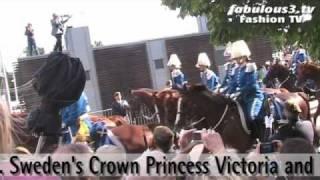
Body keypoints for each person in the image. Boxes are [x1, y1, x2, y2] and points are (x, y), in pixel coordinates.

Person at [227, 40, 264, 138]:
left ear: (244, 57)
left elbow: (250, 85)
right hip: (242, 98)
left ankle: (260, 137)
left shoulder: (250, 67)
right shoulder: (236, 69)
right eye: (235, 58)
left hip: (253, 97)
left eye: (238, 58)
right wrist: (227, 93)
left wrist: (238, 92)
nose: (236, 60)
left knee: (252, 116)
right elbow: (233, 84)